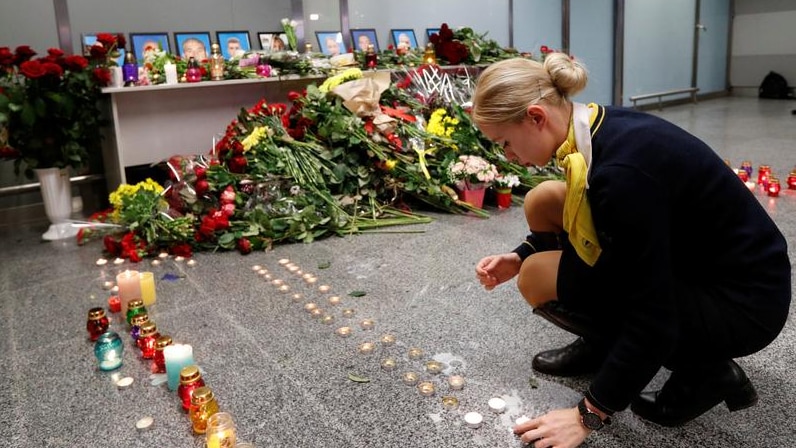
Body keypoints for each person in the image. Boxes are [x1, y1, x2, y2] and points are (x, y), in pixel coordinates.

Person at [472, 55, 790, 447]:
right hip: (704, 262)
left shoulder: (622, 175)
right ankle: (603, 345)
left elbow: (652, 313)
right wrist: (520, 253)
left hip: (741, 303)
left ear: (536, 117)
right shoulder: (596, 125)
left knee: (538, 278)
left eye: (505, 142)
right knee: (543, 201)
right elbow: (585, 214)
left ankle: (703, 372)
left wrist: (589, 413)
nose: (507, 156)